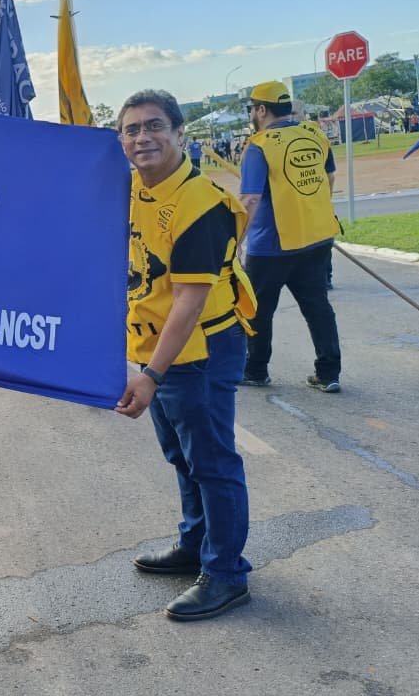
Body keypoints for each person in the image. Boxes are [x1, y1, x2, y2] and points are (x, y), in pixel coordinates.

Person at [114, 89, 255, 622]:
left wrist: (150, 374)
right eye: (131, 130)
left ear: (179, 134)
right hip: (159, 344)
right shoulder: (130, 188)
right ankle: (196, 545)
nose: (142, 138)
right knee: (181, 454)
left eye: (154, 127)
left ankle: (225, 574)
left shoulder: (201, 204)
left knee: (213, 462)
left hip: (201, 346)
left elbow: (189, 301)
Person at [238, 81, 342, 393]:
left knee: (257, 311)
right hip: (318, 238)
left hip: (271, 246)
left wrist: (237, 239)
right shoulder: (314, 133)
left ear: (260, 109)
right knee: (318, 307)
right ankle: (329, 373)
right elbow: (329, 177)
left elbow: (250, 200)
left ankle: (256, 370)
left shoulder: (260, 145)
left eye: (252, 109)